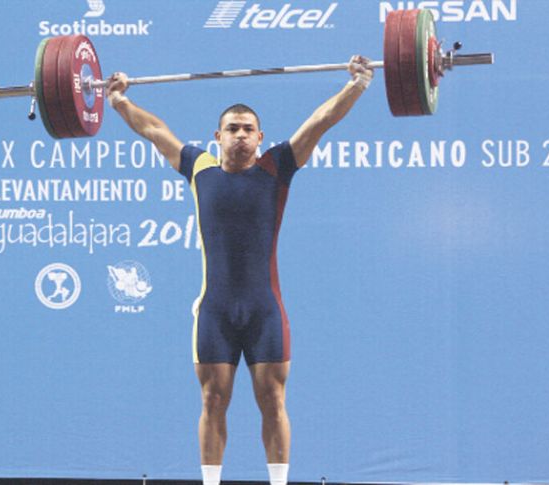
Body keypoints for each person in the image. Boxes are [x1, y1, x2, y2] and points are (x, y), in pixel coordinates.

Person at [105, 55, 374, 485]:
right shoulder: (199, 168)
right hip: (215, 312)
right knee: (213, 400)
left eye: (249, 128)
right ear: (217, 136)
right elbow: (154, 131)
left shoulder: (277, 166)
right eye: (233, 128)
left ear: (260, 136)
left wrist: (357, 85)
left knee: (273, 399)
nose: (241, 135)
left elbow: (321, 121)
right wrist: (118, 101)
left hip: (265, 310)